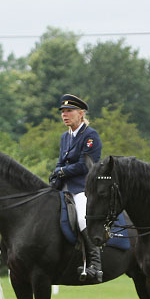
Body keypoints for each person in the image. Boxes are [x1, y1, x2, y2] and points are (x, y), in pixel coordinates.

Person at [48, 94, 102, 282]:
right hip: (63, 188)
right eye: (63, 112)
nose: (65, 115)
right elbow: (60, 162)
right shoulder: (65, 137)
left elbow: (85, 165)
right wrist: (55, 174)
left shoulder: (90, 136)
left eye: (69, 111)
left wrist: (61, 171)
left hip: (83, 188)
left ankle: (95, 264)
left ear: (81, 113)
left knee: (81, 217)